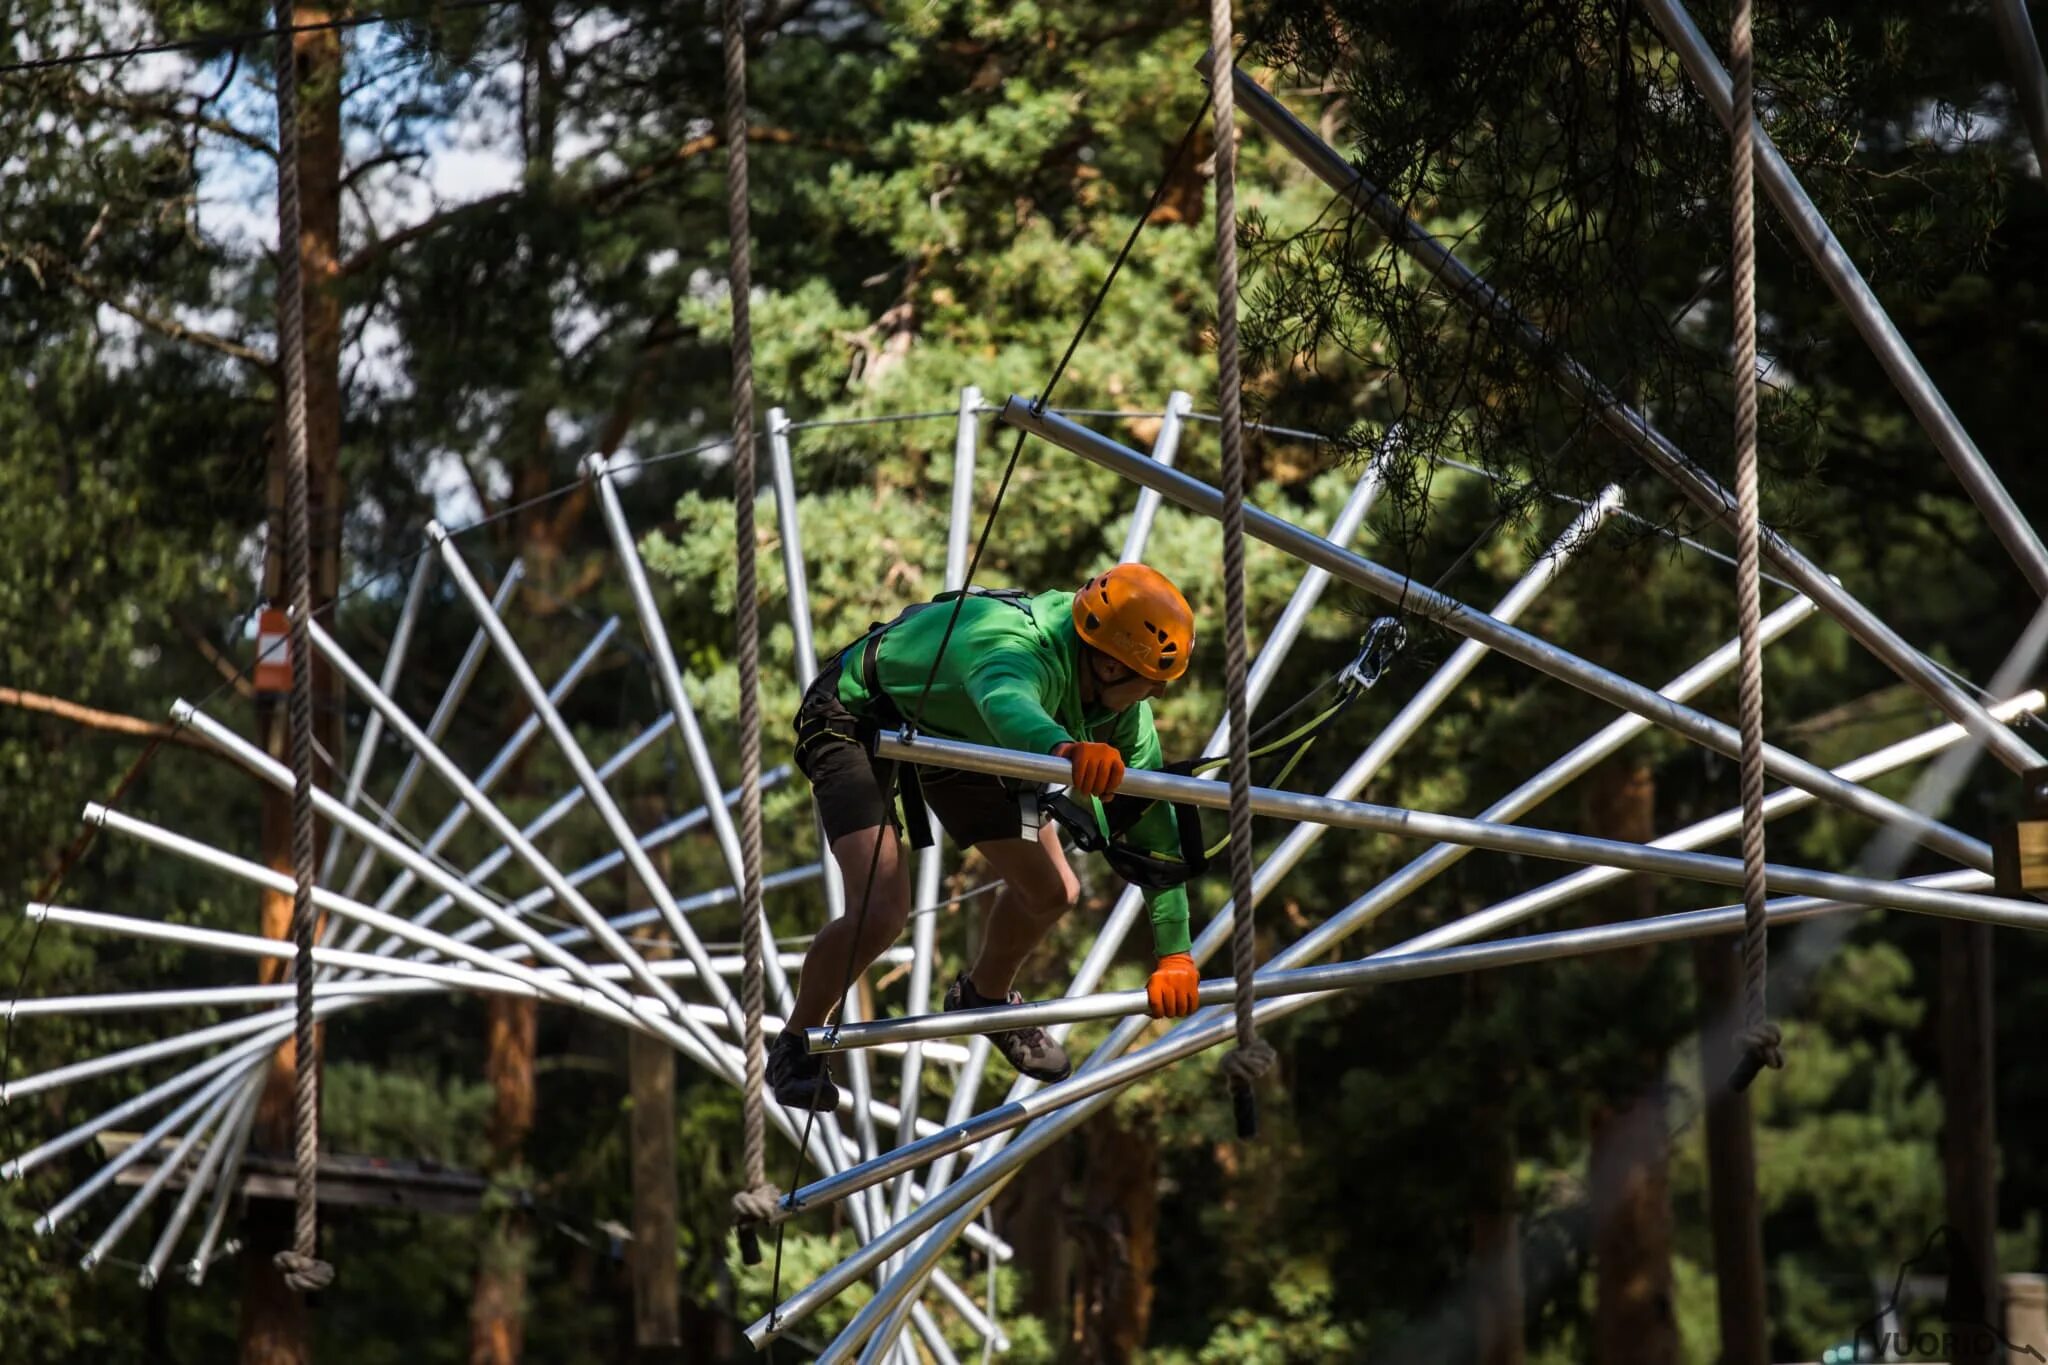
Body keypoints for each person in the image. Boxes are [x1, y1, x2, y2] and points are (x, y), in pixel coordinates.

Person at [768, 563, 1206, 1112]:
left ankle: (984, 996)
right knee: (881, 910)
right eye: (1153, 683)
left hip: (959, 734)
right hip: (857, 717)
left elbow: (1153, 830)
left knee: (1052, 892)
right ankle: (795, 1043)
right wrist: (1063, 751)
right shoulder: (1015, 646)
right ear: (1112, 666)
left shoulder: (1124, 713)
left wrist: (1176, 955)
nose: (1157, 696)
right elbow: (1006, 701)